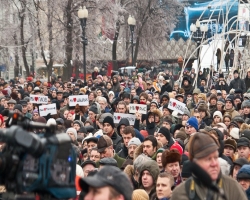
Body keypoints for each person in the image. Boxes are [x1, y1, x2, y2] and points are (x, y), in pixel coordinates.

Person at [172, 132, 248, 200]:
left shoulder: (232, 187)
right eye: (208, 159)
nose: (214, 163)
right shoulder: (180, 194)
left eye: (215, 157)